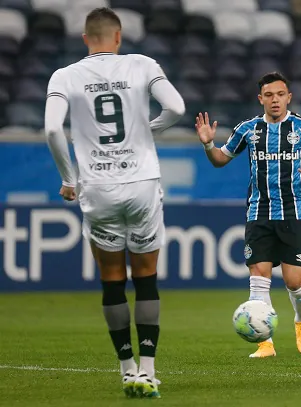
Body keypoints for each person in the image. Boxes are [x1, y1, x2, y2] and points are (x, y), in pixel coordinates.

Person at [44, 7, 185, 398]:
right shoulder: (141, 64)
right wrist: (144, 132)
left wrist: (68, 179)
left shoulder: (65, 76)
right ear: (118, 36)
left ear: (86, 38)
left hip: (97, 185)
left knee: (112, 281)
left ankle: (126, 371)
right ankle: (149, 370)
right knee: (146, 278)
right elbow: (176, 108)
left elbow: (53, 127)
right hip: (140, 182)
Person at [195, 72, 301, 358]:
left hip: (293, 210)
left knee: (293, 281)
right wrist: (208, 144)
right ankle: (265, 342)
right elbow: (220, 161)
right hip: (258, 211)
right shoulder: (247, 130)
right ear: (260, 98)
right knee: (259, 275)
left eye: (280, 94)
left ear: (289, 97)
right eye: (269, 95)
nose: (275, 100)